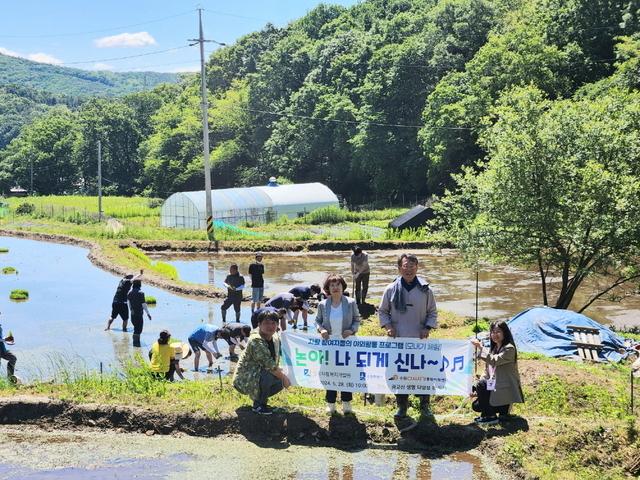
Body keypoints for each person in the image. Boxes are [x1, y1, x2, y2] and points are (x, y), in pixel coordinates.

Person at [379, 253, 437, 430]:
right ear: (399, 268)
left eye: (412, 266)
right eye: (405, 266)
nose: (409, 269)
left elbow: (433, 312)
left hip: (419, 340)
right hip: (398, 340)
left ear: (417, 268)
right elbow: (382, 311)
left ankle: (425, 406)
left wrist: (427, 327)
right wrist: (388, 326)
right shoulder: (390, 289)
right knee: (400, 373)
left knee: (422, 373)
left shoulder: (426, 290)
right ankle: (402, 406)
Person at [315, 274, 361, 415]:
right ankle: (331, 403)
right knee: (330, 373)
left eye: (338, 285)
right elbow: (317, 321)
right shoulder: (323, 304)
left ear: (342, 287)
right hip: (329, 345)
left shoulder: (351, 302)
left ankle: (347, 403)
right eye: (332, 285)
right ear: (328, 288)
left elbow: (357, 320)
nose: (335, 288)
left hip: (347, 344)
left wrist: (352, 330)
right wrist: (321, 329)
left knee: (346, 373)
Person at [233, 309, 291, 415]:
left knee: (283, 377)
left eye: (273, 323)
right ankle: (259, 405)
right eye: (266, 323)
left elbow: (285, 351)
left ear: (277, 324)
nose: (270, 326)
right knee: (272, 373)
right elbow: (269, 365)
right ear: (259, 324)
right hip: (245, 378)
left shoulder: (275, 337)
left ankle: (260, 401)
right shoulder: (256, 340)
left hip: (259, 374)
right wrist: (284, 377)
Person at [471, 321, 524, 425]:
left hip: (504, 389)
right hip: (496, 387)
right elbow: (487, 371)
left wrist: (481, 348)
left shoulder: (509, 348)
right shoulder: (494, 349)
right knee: (476, 405)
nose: (495, 335)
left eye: (498, 332)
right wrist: (476, 388)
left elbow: (494, 360)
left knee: (481, 385)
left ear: (505, 333)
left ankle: (491, 416)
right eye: (492, 332)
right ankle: (492, 413)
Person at [127, 279, 152, 347]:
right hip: (138, 314)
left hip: (132, 314)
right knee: (138, 330)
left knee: (136, 328)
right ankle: (136, 345)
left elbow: (129, 303)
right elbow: (143, 304)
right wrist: (148, 314)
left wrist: (131, 310)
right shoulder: (141, 293)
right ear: (139, 285)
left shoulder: (129, 293)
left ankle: (135, 344)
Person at [0, 313, 17, 384]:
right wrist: (6, 339)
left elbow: (1, 338)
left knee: (13, 358)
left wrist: (7, 340)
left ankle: (10, 379)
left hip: (2, 350)